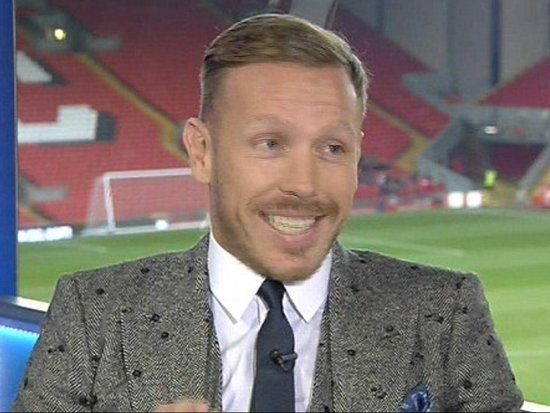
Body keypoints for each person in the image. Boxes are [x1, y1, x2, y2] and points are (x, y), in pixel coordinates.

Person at [14, 13, 522, 413]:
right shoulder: (93, 312)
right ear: (202, 152)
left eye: (332, 148)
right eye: (271, 143)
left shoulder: (444, 311)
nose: (304, 185)